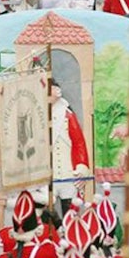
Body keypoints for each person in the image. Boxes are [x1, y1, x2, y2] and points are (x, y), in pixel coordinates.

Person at [48, 80, 91, 214]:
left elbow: (79, 142)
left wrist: (82, 166)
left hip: (67, 173)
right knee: (45, 211)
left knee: (70, 212)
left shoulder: (67, 115)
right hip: (48, 176)